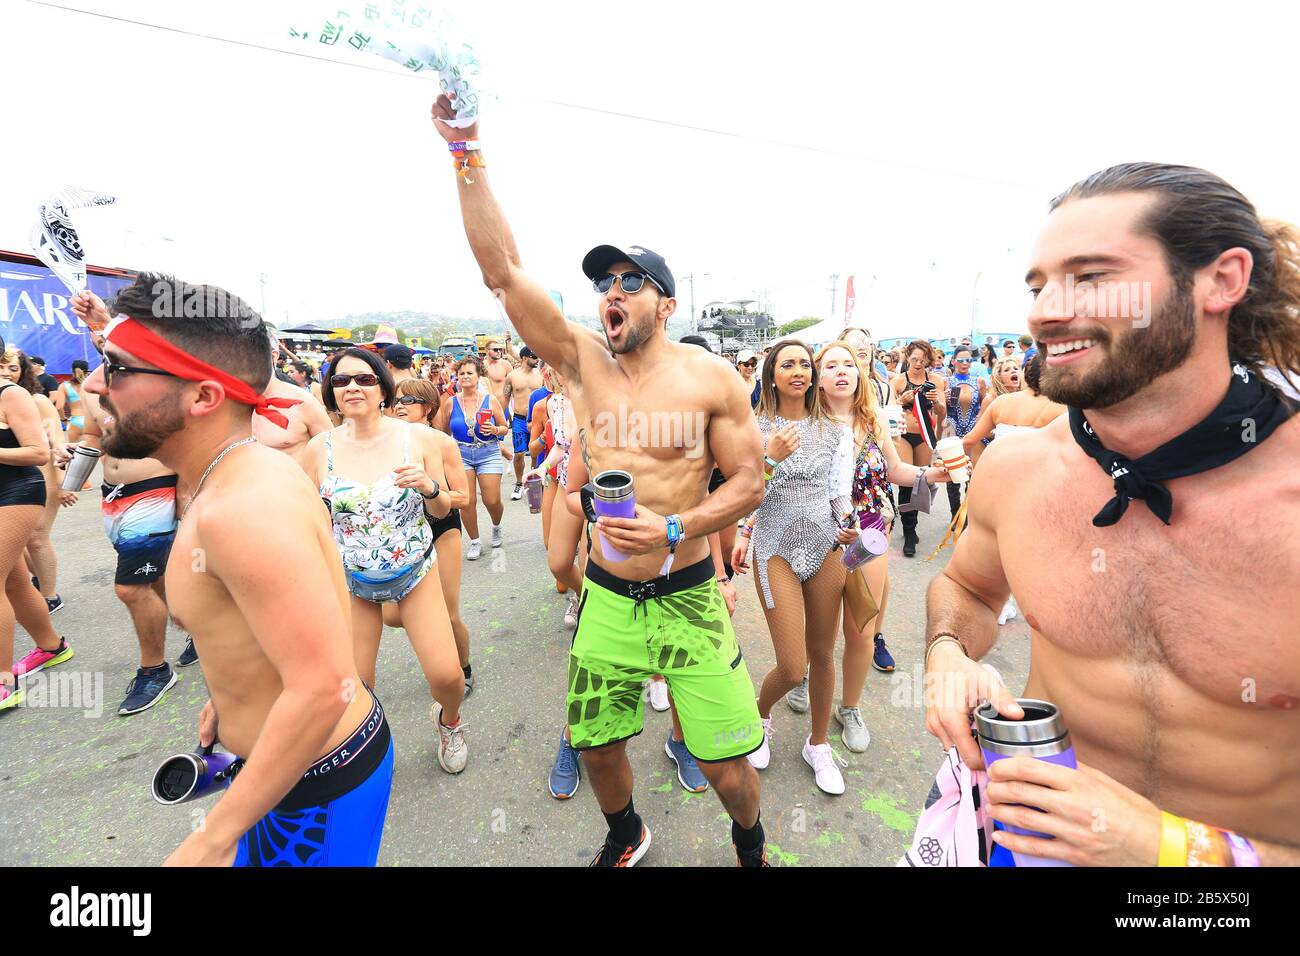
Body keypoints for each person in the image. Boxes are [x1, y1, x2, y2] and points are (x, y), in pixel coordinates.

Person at [926, 162, 1300, 866]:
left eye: (1091, 276)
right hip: (1014, 842)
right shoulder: (1017, 470)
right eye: (1037, 285)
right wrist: (948, 653)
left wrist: (1166, 848)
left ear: (1222, 280)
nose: (1043, 311)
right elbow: (968, 589)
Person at [434, 93, 767, 866]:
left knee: (727, 769)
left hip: (686, 596)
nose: (611, 292)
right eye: (604, 283)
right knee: (597, 748)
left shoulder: (712, 377)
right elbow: (501, 271)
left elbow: (749, 483)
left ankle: (749, 845)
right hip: (610, 597)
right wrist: (465, 147)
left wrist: (677, 527)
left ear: (666, 302)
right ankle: (627, 834)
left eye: (630, 281)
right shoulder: (580, 362)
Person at [77, 276, 392, 865]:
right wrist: (233, 685)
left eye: (117, 368)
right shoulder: (234, 473)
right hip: (290, 771)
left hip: (314, 790)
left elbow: (323, 689)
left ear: (201, 397)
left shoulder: (241, 509)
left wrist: (210, 839)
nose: (95, 384)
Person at [305, 347, 467, 773]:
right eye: (341, 381)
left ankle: (449, 722)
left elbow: (443, 508)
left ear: (383, 387)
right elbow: (310, 520)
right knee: (357, 684)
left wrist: (431, 488)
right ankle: (366, 749)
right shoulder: (318, 450)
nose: (352, 387)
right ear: (331, 392)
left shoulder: (420, 439)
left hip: (414, 573)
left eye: (364, 379)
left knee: (447, 677)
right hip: (353, 583)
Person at [733, 340, 855, 795]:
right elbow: (743, 489)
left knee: (823, 653)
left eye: (806, 363)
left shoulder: (835, 429)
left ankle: (818, 743)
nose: (799, 371)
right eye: (788, 364)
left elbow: (839, 491)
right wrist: (769, 458)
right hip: (775, 548)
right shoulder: (753, 426)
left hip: (826, 547)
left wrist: (848, 522)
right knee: (791, 666)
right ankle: (760, 716)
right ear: (772, 374)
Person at [390, 377, 475, 698]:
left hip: (442, 526)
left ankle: (463, 668)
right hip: (403, 529)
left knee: (448, 610)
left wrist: (431, 489)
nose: (399, 406)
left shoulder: (442, 442)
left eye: (408, 400)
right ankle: (437, 651)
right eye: (395, 400)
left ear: (427, 407)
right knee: (390, 614)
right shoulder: (386, 442)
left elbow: (463, 497)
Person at [0, 341, 73, 713]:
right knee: (12, 581)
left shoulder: (11, 394)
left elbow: (39, 452)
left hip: (16, 491)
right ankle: (51, 646)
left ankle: (3, 681)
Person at [2, 349, 69, 614]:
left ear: (24, 371)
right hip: (9, 475)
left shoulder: (36, 399)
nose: (6, 373)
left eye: (13, 368)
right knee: (18, 544)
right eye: (2, 366)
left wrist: (64, 483)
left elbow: (56, 441)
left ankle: (50, 595)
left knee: (37, 538)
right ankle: (35, 583)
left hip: (41, 474)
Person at [435, 355, 508, 560]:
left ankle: (496, 525)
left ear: (478, 376)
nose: (465, 376)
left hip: (488, 452)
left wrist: (494, 428)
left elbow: (504, 428)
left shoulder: (489, 400)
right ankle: (475, 541)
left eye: (469, 373)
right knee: (467, 502)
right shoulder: (450, 403)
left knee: (492, 500)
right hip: (461, 455)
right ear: (456, 377)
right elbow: (442, 433)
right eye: (461, 373)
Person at [890, 339, 947, 556]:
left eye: (923, 360)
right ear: (908, 357)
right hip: (903, 435)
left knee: (921, 480)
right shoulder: (897, 380)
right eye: (914, 359)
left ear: (929, 361)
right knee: (906, 482)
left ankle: (911, 525)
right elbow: (887, 411)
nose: (918, 364)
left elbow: (942, 414)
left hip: (924, 436)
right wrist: (899, 400)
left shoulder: (936, 381)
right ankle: (909, 531)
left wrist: (938, 402)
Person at [943, 344, 990, 516]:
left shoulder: (979, 382)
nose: (964, 363)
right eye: (961, 360)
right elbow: (940, 411)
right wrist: (944, 401)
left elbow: (986, 407)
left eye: (968, 360)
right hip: (954, 434)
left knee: (974, 478)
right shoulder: (946, 382)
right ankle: (955, 514)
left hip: (974, 434)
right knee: (953, 479)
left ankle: (970, 516)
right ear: (953, 361)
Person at [504, 345, 544, 499]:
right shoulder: (512, 376)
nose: (537, 359)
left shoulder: (540, 375)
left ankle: (534, 481)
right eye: (534, 357)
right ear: (524, 358)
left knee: (535, 452)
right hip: (520, 420)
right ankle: (519, 483)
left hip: (537, 419)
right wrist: (501, 419)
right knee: (519, 454)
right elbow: (505, 399)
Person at [58, 360, 90, 443]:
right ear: (87, 371)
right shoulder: (91, 384)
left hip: (75, 421)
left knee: (75, 452)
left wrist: (65, 420)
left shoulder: (64, 386)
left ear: (72, 371)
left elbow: (59, 407)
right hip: (91, 420)